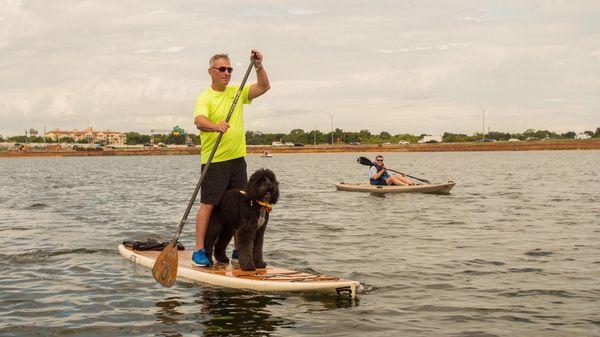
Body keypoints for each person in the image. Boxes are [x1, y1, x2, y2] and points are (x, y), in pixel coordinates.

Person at [191, 50, 270, 266]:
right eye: (222, 69)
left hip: (237, 160)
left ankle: (239, 251)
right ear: (211, 72)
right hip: (215, 161)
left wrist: (258, 66)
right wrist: (215, 126)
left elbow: (263, 87)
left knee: (243, 205)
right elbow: (199, 121)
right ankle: (199, 250)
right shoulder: (205, 97)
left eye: (229, 69)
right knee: (209, 205)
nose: (227, 73)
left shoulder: (237, 92)